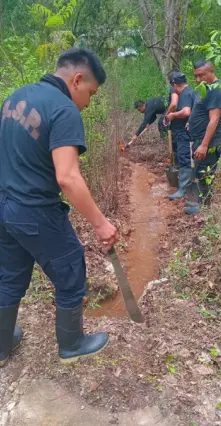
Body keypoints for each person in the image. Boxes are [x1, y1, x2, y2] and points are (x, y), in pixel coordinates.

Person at [0, 48, 118, 367]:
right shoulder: (64, 110)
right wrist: (101, 224)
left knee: (9, 275)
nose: (88, 102)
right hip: (37, 211)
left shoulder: (14, 98)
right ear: (77, 80)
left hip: (5, 206)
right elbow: (67, 177)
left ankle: (1, 346)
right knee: (70, 270)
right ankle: (72, 344)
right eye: (90, 93)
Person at [183, 59, 221, 215]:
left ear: (211, 71)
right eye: (195, 76)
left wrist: (204, 145)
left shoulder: (217, 90)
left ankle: (205, 210)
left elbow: (214, 119)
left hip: (209, 142)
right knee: (200, 173)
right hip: (198, 139)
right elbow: (200, 110)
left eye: (201, 75)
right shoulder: (204, 88)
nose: (197, 80)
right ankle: (201, 204)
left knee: (206, 174)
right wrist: (191, 122)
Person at [165, 72, 198, 200]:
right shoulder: (191, 91)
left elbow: (186, 112)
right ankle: (189, 186)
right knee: (190, 160)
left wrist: (172, 115)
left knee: (184, 159)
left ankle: (183, 189)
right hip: (189, 132)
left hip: (184, 133)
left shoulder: (184, 94)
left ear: (174, 85)